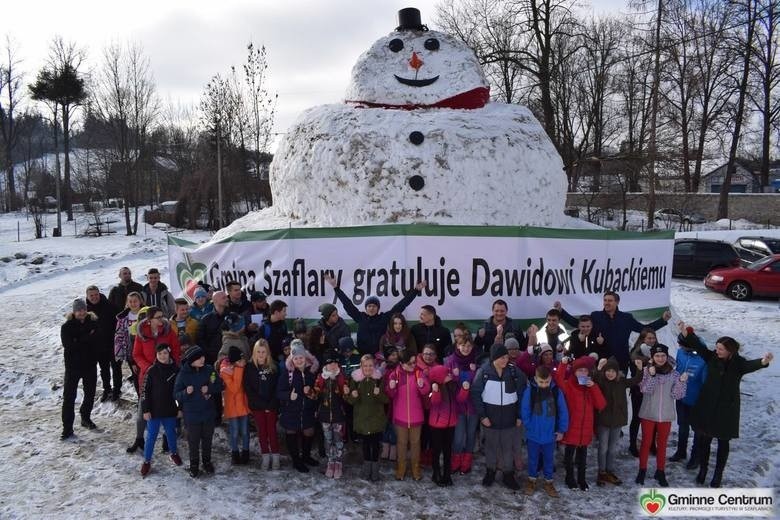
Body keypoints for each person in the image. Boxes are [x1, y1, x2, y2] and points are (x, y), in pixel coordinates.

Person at [680, 327, 774, 488]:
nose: (717, 351)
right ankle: (703, 470)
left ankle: (717, 475)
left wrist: (763, 362)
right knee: (705, 441)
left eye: (721, 349)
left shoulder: (739, 364)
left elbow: (752, 365)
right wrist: (686, 333)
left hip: (726, 409)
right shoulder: (711, 358)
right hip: (707, 406)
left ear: (730, 351)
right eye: (716, 348)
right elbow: (699, 346)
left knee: (723, 443)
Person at [556, 291, 671, 374]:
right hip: (602, 362)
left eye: (610, 300)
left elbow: (645, 330)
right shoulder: (596, 316)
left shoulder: (626, 318)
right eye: (605, 300)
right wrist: (561, 312)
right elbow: (578, 324)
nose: (606, 303)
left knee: (618, 396)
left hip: (621, 362)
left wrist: (662, 320)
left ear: (617, 302)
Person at [470, 343, 526, 490]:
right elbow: (476, 394)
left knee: (508, 448)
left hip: (510, 419)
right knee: (491, 447)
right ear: (493, 358)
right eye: (502, 358)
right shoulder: (483, 373)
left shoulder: (515, 373)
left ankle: (508, 474)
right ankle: (490, 471)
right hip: (490, 419)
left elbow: (522, 395)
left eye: (506, 357)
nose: (505, 360)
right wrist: (483, 416)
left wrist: (520, 415)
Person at [327, 274, 426, 355]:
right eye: (369, 306)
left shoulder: (384, 318)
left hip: (380, 356)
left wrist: (415, 291)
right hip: (363, 356)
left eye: (374, 306)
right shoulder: (360, 317)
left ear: (378, 308)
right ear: (366, 308)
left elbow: (401, 305)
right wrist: (336, 288)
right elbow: (347, 304)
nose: (371, 308)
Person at [129, 306, 181, 455]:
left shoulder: (168, 331)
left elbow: (176, 350)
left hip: (168, 376)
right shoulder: (142, 334)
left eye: (162, 316)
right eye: (158, 317)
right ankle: (139, 439)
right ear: (150, 319)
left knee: (169, 407)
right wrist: (149, 367)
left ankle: (167, 438)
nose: (161, 319)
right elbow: (136, 354)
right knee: (142, 411)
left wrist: (172, 366)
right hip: (147, 376)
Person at [635, 344, 687, 487]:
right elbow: (645, 389)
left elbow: (677, 395)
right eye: (657, 356)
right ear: (652, 357)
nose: (660, 358)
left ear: (666, 356)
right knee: (646, 442)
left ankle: (660, 471)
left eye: (663, 356)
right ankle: (642, 470)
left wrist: (682, 382)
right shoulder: (647, 371)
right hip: (648, 413)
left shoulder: (674, 374)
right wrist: (651, 376)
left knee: (662, 444)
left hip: (665, 414)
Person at [553, 355, 606, 491]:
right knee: (569, 457)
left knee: (582, 458)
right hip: (572, 428)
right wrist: (563, 365)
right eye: (579, 371)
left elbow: (601, 405)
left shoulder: (590, 387)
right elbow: (558, 379)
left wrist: (594, 387)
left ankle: (582, 479)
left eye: (585, 371)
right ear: (574, 372)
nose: (582, 373)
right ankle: (569, 478)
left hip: (585, 429)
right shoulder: (568, 385)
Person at [593, 357, 643, 486]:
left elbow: (636, 380)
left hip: (617, 420)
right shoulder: (602, 381)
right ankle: (602, 472)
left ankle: (609, 471)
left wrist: (639, 369)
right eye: (607, 371)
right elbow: (594, 380)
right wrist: (598, 369)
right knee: (603, 447)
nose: (610, 373)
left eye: (612, 371)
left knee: (612, 448)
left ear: (617, 372)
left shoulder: (622, 382)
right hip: (603, 420)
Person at [520, 365, 569, 497]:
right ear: (535, 379)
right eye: (541, 382)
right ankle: (531, 480)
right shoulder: (530, 392)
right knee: (532, 459)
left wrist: (561, 430)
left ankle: (549, 481)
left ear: (550, 379)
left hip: (550, 435)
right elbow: (525, 410)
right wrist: (529, 426)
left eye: (546, 382)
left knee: (549, 459)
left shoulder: (556, 392)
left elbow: (563, 411)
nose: (544, 385)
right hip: (533, 434)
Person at [174, 346, 223, 477]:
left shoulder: (209, 370)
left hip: (208, 413)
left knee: (207, 439)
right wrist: (185, 392)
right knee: (193, 441)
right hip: (192, 415)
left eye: (202, 357)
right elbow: (176, 395)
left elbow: (220, 385)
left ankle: (207, 462)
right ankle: (194, 464)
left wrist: (210, 388)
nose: (202, 359)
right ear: (191, 360)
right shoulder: (183, 374)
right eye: (198, 358)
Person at [386, 350, 430, 481]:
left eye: (414, 362)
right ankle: (401, 468)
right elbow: (390, 394)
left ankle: (416, 468)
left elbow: (426, 390)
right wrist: (392, 387)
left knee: (416, 443)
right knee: (401, 443)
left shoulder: (419, 373)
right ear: (401, 363)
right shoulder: (395, 375)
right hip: (400, 416)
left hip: (417, 416)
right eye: (409, 363)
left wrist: (422, 386)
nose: (413, 365)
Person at [140, 343, 182, 477]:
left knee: (171, 433)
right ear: (156, 355)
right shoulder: (151, 371)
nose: (162, 356)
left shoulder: (176, 370)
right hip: (154, 411)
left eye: (165, 353)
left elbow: (180, 390)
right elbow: (144, 391)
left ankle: (174, 453)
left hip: (170, 409)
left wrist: (179, 408)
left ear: (169, 354)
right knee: (151, 436)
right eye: (159, 354)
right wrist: (146, 410)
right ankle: (146, 461)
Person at [277, 340, 320, 473]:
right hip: (291, 411)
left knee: (309, 431)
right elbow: (278, 392)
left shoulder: (311, 373)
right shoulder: (287, 373)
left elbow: (318, 391)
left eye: (301, 357)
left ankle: (306, 456)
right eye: (296, 358)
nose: (299, 360)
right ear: (292, 359)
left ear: (305, 358)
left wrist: (311, 392)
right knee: (292, 433)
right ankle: (296, 460)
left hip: (307, 410)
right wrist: (289, 395)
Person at [60, 298, 100, 440]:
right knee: (69, 397)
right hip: (73, 367)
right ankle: (67, 428)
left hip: (90, 365)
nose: (82, 312)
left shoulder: (94, 323)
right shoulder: (67, 327)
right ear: (74, 312)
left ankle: (85, 417)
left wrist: (79, 340)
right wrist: (86, 338)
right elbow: (69, 345)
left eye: (83, 309)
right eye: (78, 310)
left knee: (90, 393)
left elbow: (96, 342)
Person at [670, 324, 708, 469]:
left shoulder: (703, 358)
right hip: (681, 397)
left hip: (696, 400)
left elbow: (705, 381)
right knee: (682, 426)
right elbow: (678, 370)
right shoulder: (680, 353)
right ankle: (681, 451)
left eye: (682, 345)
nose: (679, 346)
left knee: (697, 430)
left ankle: (695, 457)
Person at [346, 354, 389, 481]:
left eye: (370, 365)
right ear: (361, 366)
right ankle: (366, 469)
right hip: (362, 418)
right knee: (365, 445)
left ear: (374, 366)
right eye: (365, 366)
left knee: (375, 445)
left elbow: (386, 400)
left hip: (376, 418)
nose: (368, 368)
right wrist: (353, 395)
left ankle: (375, 470)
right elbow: (350, 401)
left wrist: (378, 394)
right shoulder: (355, 380)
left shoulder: (379, 379)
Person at [443, 335, 479, 475]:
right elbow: (447, 384)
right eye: (463, 345)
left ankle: (466, 462)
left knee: (470, 435)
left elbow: (479, 383)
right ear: (457, 345)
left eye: (469, 346)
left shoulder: (475, 362)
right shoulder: (450, 362)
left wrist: (474, 372)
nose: (466, 348)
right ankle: (455, 461)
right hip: (457, 407)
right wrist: (456, 377)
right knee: (458, 437)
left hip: (473, 407)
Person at [243, 339, 280, 470]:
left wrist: (271, 404)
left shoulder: (274, 366)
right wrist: (261, 403)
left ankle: (275, 457)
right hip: (257, 406)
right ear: (254, 352)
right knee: (262, 432)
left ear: (267, 352)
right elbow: (248, 387)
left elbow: (277, 387)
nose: (261, 354)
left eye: (263, 352)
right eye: (258, 351)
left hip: (271, 405)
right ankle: (265, 456)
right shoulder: (249, 367)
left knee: (272, 431)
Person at [427, 364, 464, 487]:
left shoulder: (452, 386)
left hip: (450, 423)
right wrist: (436, 391)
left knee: (448, 450)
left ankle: (447, 474)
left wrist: (465, 390)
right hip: (436, 425)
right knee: (436, 451)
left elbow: (460, 399)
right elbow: (434, 402)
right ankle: (436, 472)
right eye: (446, 374)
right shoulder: (434, 388)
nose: (449, 375)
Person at [314, 349, 348, 479]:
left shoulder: (342, 377)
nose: (333, 366)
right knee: (328, 440)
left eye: (335, 363)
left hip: (339, 415)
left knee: (338, 440)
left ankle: (338, 463)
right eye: (330, 363)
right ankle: (330, 462)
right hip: (324, 415)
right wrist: (308, 391)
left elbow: (346, 396)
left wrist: (346, 390)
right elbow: (315, 394)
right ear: (325, 365)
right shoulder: (321, 378)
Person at [85, 285, 120, 402]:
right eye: (91, 295)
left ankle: (117, 389)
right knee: (104, 368)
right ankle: (107, 389)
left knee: (116, 367)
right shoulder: (85, 310)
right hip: (97, 345)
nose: (94, 297)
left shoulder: (109, 305)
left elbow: (118, 322)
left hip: (112, 342)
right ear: (87, 296)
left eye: (96, 294)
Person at [628, 328, 658, 457]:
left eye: (653, 338)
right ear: (643, 339)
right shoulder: (635, 353)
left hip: (654, 391)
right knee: (637, 417)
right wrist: (649, 361)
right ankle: (632, 444)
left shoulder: (659, 351)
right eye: (648, 338)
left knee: (653, 418)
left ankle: (651, 444)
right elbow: (636, 372)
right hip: (639, 390)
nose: (651, 341)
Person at [220, 346, 250, 465]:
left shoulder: (242, 367)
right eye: (238, 360)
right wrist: (239, 369)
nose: (241, 362)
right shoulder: (225, 370)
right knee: (234, 431)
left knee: (245, 431)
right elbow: (235, 388)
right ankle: (235, 453)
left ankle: (246, 452)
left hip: (243, 404)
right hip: (232, 406)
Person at [114, 291, 145, 401]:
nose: (133, 304)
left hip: (147, 350)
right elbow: (119, 336)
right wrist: (119, 353)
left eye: (135, 301)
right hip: (131, 352)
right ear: (127, 303)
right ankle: (141, 399)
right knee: (137, 377)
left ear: (140, 301)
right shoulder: (123, 319)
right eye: (130, 301)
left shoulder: (146, 313)